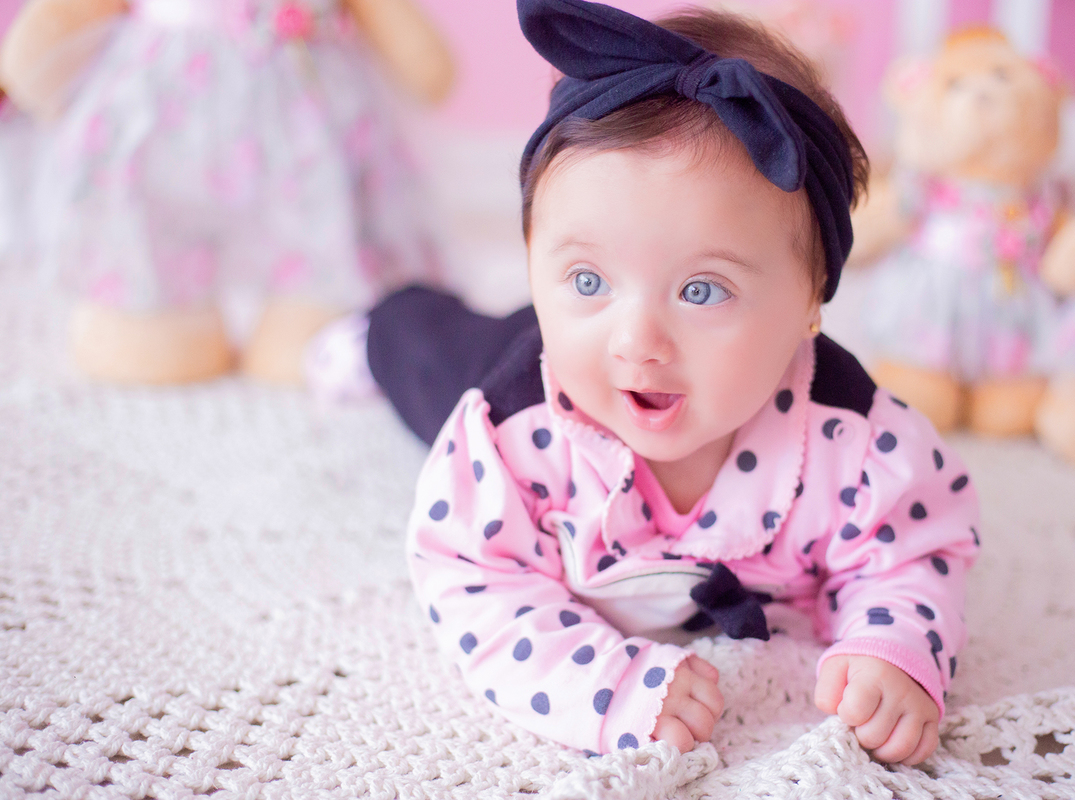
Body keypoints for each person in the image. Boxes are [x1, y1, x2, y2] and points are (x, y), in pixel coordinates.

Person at [363, 0, 980, 765]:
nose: (639, 342)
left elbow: (911, 551)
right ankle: (368, 331)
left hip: (581, 348)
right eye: (585, 275)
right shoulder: (508, 428)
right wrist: (601, 682)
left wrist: (894, 644)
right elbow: (472, 575)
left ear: (812, 296)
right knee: (420, 349)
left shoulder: (849, 436)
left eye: (701, 291)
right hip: (537, 365)